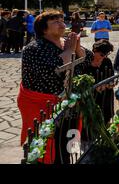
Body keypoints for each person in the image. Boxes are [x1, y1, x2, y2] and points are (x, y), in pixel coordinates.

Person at [18, 11, 88, 163]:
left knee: (68, 143)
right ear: (44, 29)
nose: (61, 21)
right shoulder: (34, 48)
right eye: (55, 20)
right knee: (48, 147)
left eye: (61, 19)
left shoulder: (65, 42)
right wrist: (69, 51)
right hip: (45, 106)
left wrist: (77, 47)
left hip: (70, 106)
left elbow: (85, 63)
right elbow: (53, 72)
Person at [84, 40, 115, 124]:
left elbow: (112, 78)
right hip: (92, 99)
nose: (104, 57)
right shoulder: (86, 63)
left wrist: (109, 85)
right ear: (94, 50)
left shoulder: (107, 62)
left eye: (106, 54)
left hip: (106, 97)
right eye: (102, 54)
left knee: (106, 120)